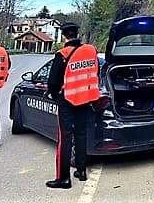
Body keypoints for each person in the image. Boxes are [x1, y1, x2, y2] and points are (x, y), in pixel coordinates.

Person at [45, 22, 100, 189]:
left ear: (64, 36)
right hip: (85, 98)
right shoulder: (91, 51)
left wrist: (54, 94)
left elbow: (53, 82)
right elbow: (95, 72)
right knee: (81, 134)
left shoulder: (62, 54)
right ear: (78, 34)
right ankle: (81, 171)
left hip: (67, 100)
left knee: (65, 138)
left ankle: (63, 178)